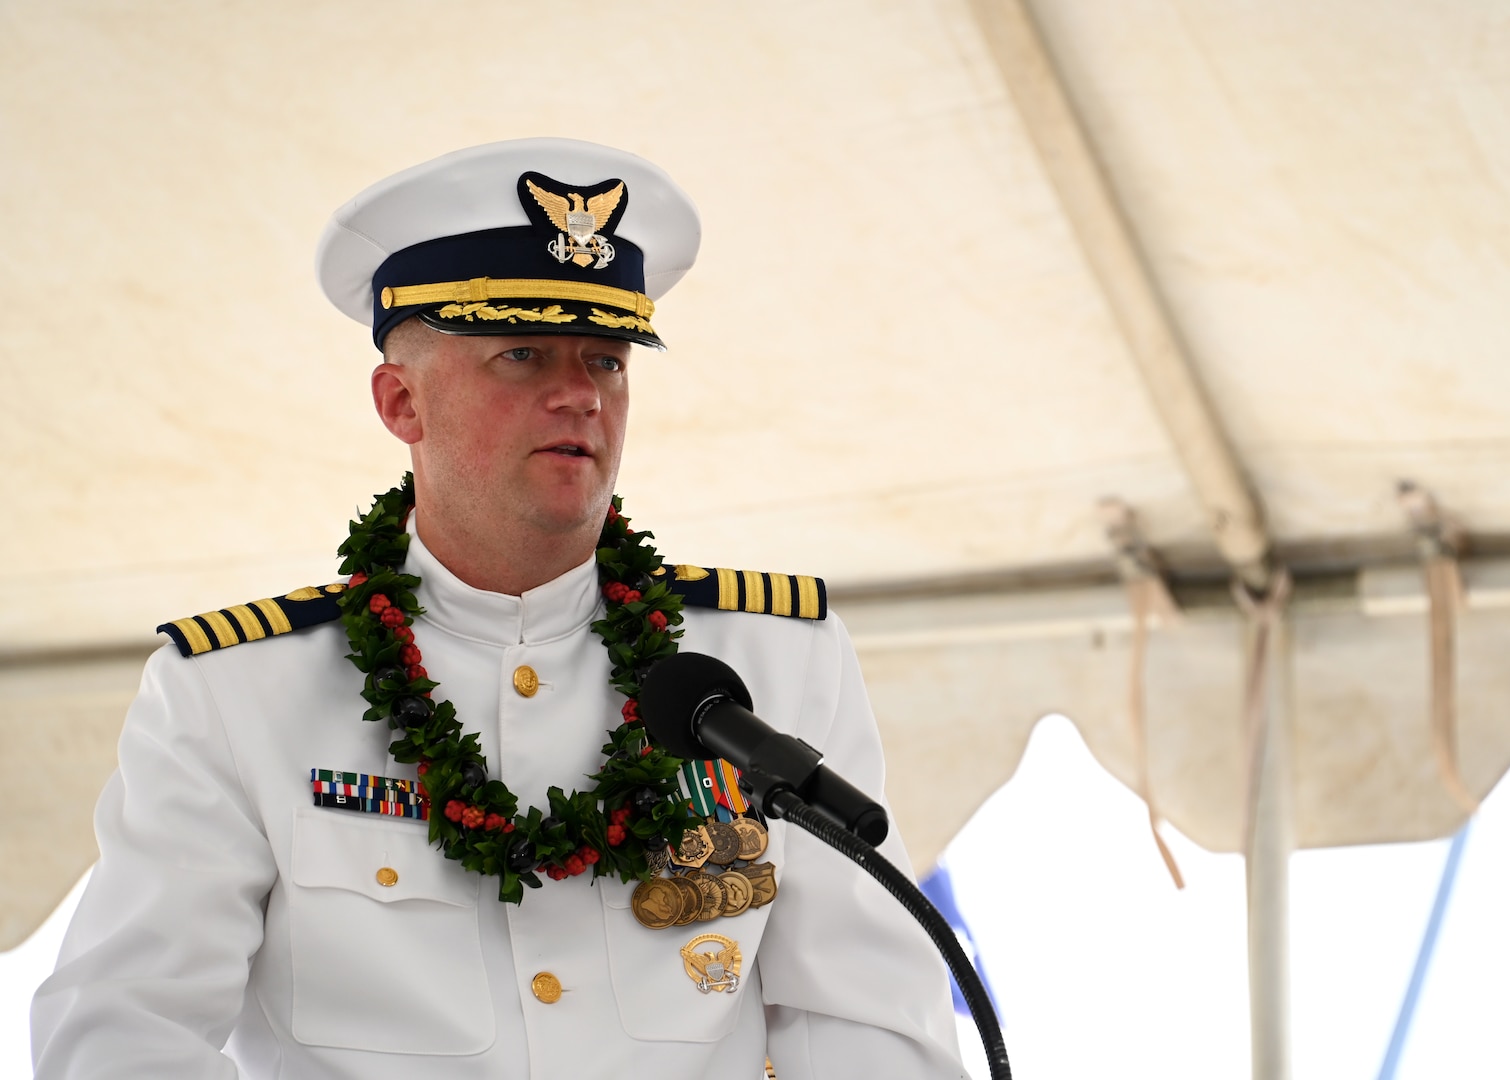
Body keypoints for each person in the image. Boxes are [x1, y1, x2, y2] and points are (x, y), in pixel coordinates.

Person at [31, 138, 967, 1079]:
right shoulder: (235, 691)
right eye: (521, 354)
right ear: (402, 403)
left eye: (608, 360)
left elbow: (871, 1021)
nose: (578, 395)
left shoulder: (773, 660)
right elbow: (121, 1033)